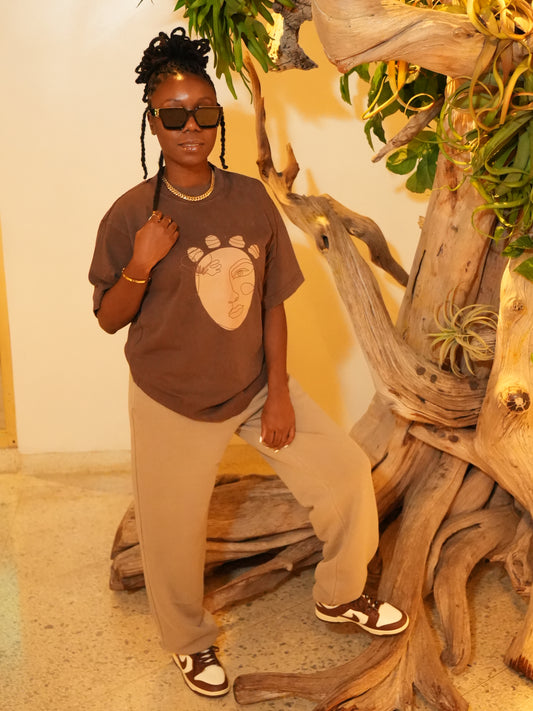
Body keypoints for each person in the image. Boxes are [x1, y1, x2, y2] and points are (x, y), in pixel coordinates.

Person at [89, 27, 408, 699]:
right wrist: (141, 263)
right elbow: (109, 316)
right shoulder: (129, 214)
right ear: (153, 122)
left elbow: (270, 302)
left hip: (255, 385)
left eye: (204, 113)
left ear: (217, 120)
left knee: (345, 472)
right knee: (172, 534)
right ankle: (189, 642)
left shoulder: (248, 198)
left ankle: (339, 594)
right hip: (171, 396)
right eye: (174, 115)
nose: (191, 128)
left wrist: (279, 393)